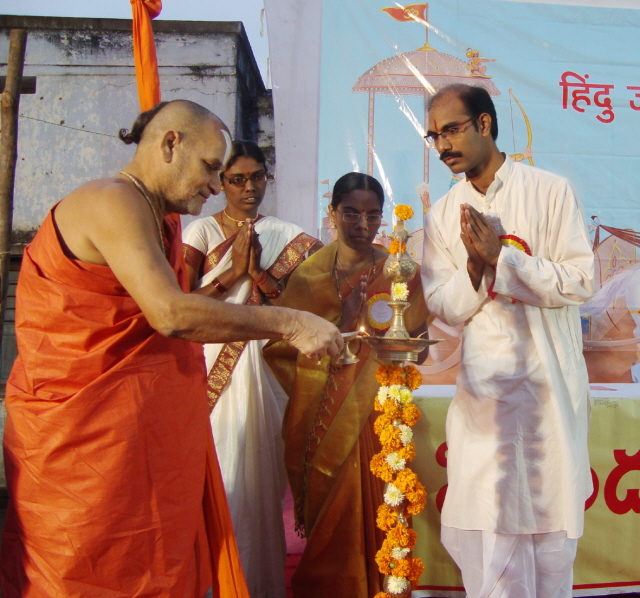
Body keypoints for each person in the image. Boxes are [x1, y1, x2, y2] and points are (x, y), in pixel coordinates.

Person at [0, 100, 343, 598]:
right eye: (210, 168)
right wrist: (289, 322)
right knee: (86, 575)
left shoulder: (156, 218)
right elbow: (172, 314)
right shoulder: (112, 200)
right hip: (86, 450)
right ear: (169, 144)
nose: (214, 185)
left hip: (139, 442)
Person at [421, 84, 594, 598]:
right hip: (485, 395)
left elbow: (579, 280)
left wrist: (505, 258)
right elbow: (443, 306)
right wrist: (475, 265)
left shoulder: (550, 191)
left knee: (549, 534)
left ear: (485, 125)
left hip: (549, 389)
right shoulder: (440, 214)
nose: (443, 145)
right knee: (485, 531)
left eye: (452, 130)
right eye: (435, 136)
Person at [265, 172, 429, 598]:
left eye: (373, 215)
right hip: (322, 413)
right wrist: (342, 321)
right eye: (351, 213)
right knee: (329, 514)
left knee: (381, 503)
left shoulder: (398, 272)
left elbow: (420, 347)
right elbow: (280, 350)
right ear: (333, 213)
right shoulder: (310, 275)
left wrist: (397, 348)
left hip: (379, 413)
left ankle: (381, 587)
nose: (362, 224)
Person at [182, 139, 322, 598]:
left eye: (257, 177)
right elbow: (179, 307)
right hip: (208, 375)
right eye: (237, 179)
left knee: (261, 490)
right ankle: (212, 584)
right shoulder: (199, 234)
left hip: (266, 374)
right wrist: (231, 273)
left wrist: (259, 273)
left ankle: (257, 586)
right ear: (221, 181)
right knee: (218, 479)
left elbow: (306, 308)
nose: (249, 188)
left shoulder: (288, 235)